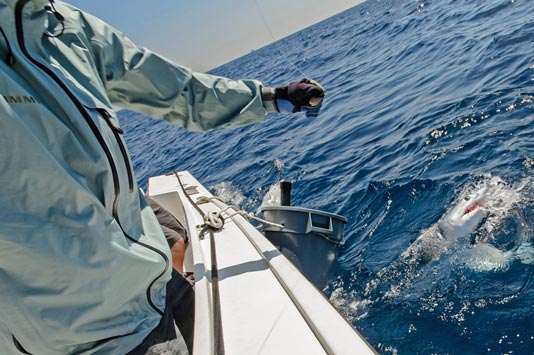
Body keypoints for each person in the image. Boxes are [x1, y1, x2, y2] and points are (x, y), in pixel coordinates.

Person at [0, 1, 324, 354]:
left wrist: (272, 98)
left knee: (175, 237)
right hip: (93, 333)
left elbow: (179, 91)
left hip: (151, 276)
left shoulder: (63, 25)